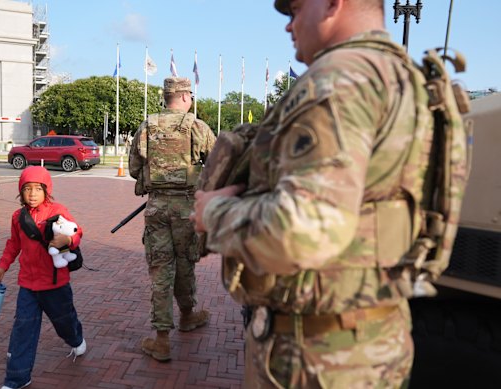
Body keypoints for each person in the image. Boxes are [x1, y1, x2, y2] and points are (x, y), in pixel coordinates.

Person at [191, 0, 446, 387]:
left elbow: (305, 230)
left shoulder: (337, 81)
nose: (289, 26)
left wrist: (214, 212)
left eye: (294, 9)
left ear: (332, 3)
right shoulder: (407, 79)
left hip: (313, 356)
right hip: (376, 336)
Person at [129, 77, 216, 362]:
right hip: (186, 209)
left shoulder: (147, 126)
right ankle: (188, 315)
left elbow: (134, 168)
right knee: (184, 264)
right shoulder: (197, 127)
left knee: (161, 269)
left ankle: (162, 339)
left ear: (167, 97)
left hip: (156, 209)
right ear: (185, 97)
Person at [0, 166, 86, 389]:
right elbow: (13, 244)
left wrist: (68, 242)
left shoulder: (57, 210)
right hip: (28, 285)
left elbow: (76, 231)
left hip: (55, 284)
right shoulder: (18, 217)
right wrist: (2, 266)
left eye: (37, 188)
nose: (32, 193)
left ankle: (76, 339)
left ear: (46, 190)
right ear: (20, 192)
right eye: (27, 189)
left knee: (65, 322)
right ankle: (17, 378)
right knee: (22, 329)